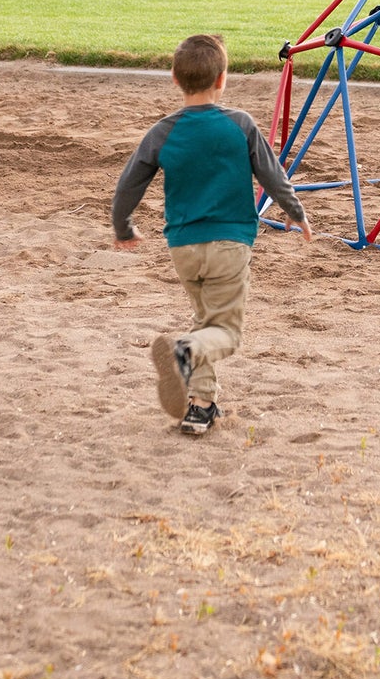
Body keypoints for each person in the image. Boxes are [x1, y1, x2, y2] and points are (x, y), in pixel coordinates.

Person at [112, 34, 312, 435]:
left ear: (173, 78)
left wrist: (123, 225)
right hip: (229, 244)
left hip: (183, 248)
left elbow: (129, 184)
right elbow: (271, 174)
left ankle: (201, 407)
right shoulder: (240, 124)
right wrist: (295, 211)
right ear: (222, 79)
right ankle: (183, 353)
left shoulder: (162, 132)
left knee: (206, 319)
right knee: (226, 334)